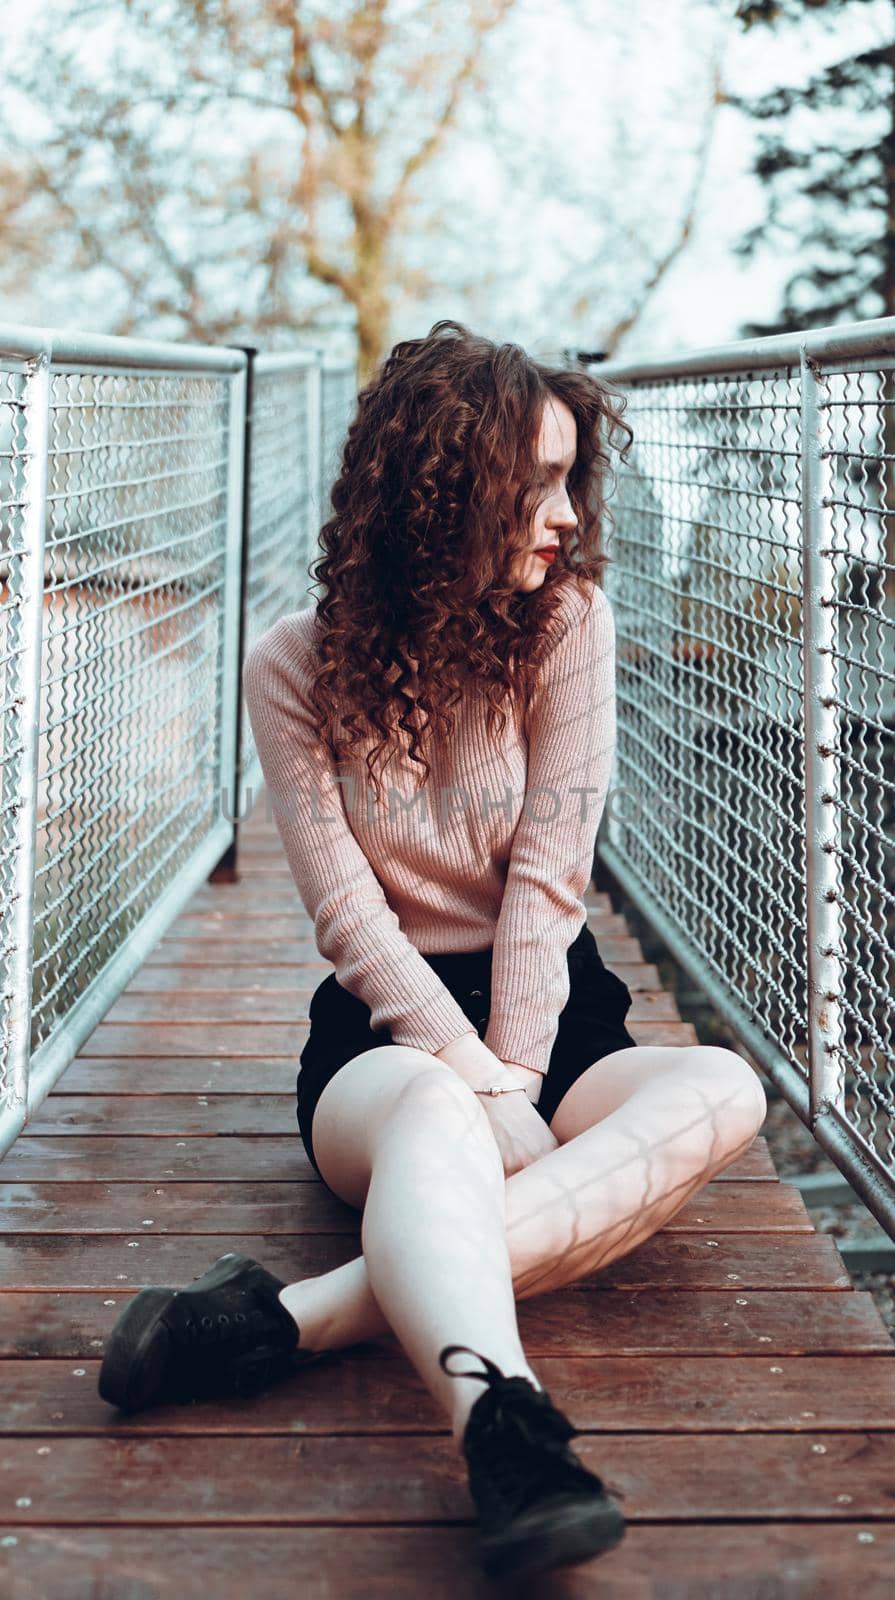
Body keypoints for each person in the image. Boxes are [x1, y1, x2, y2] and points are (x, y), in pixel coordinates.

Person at [97, 320, 767, 1582]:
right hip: (387, 1033)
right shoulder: (291, 667)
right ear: (445, 488)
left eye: (575, 477)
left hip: (552, 1008)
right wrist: (470, 1075)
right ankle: (505, 1430)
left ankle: (279, 1319)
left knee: (720, 1089)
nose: (566, 513)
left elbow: (550, 877)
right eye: (539, 481)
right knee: (439, 1131)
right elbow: (350, 918)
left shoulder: (567, 622)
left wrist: (519, 1064)